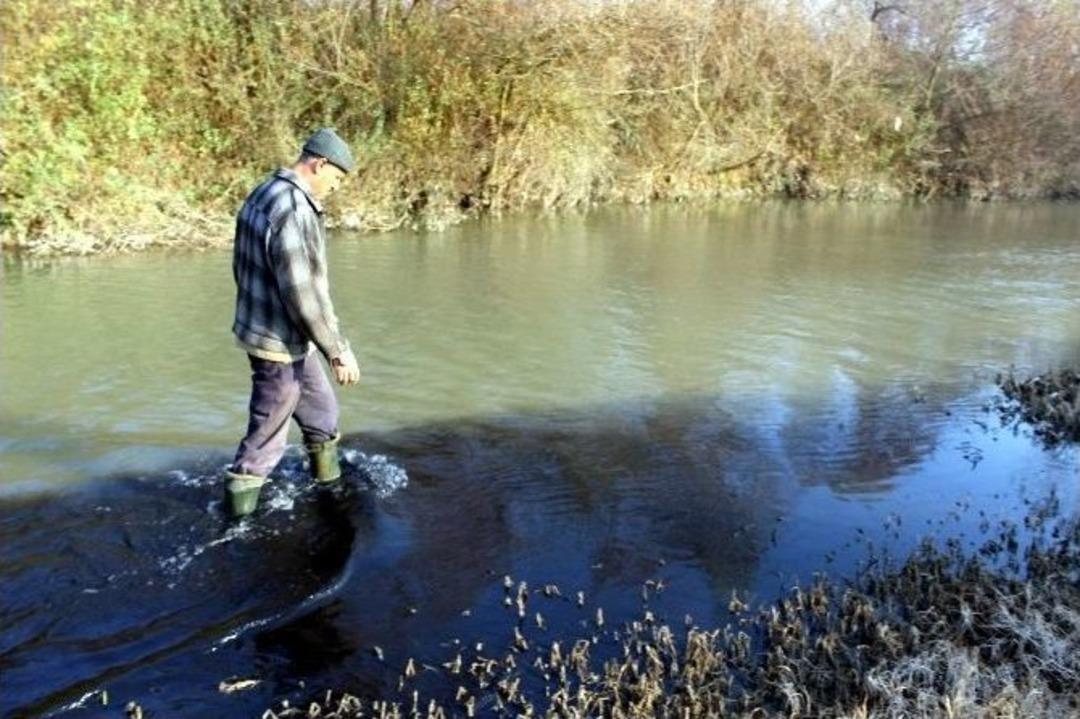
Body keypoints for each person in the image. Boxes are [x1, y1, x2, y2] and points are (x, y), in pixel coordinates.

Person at [224, 128, 361, 517]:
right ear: (319, 163)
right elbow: (303, 294)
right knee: (264, 442)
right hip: (277, 344)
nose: (334, 187)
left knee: (322, 416)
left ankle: (329, 491)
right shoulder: (294, 208)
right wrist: (337, 350)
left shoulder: (263, 191)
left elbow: (241, 266)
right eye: (335, 178)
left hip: (284, 334)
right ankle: (235, 525)